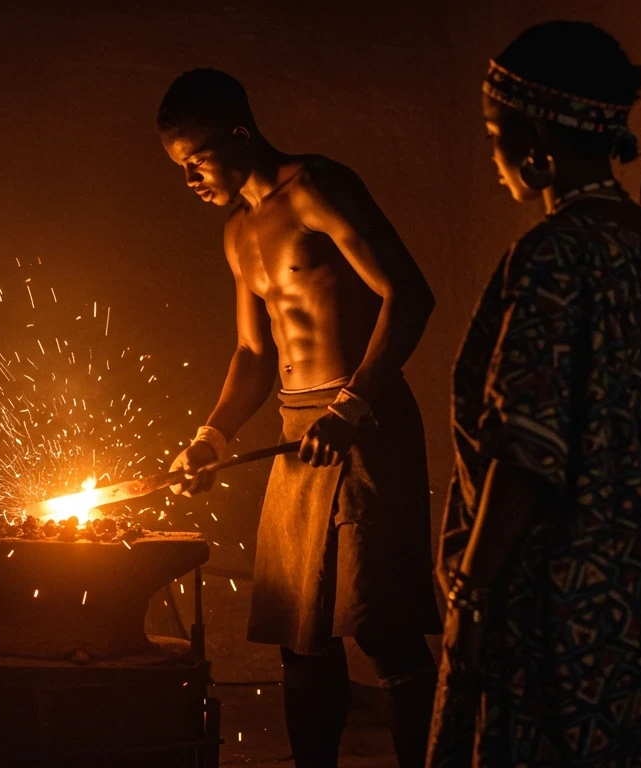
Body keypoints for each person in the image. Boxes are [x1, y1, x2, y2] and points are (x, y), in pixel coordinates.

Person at [429, 21, 641, 767]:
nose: (493, 158)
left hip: (571, 607)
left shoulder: (552, 258)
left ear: (539, 143)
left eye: (494, 135)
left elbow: (525, 450)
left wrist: (471, 595)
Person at [159, 69, 441, 768]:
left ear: (239, 133)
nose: (190, 179)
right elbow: (255, 353)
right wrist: (210, 435)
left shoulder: (317, 187)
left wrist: (352, 405)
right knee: (301, 634)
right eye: (180, 169)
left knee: (385, 630)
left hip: (365, 426)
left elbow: (409, 295)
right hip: (297, 436)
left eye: (197, 160)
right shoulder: (237, 233)